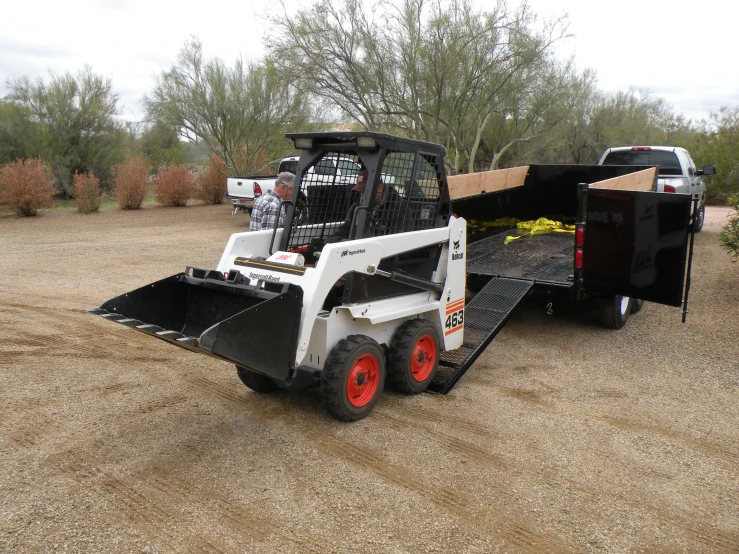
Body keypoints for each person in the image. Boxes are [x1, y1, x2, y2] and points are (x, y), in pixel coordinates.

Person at [324, 169, 402, 243]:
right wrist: (329, 243)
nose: (363, 196)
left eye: (365, 191)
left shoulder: (397, 208)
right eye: (360, 192)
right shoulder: (357, 207)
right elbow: (344, 230)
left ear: (379, 187)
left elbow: (400, 241)